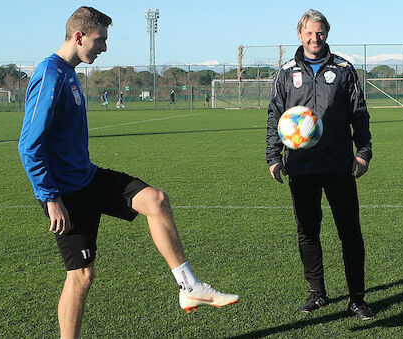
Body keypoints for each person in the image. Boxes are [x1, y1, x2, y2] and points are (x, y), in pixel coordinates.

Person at [18, 7, 239, 339]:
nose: (104, 47)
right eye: (100, 40)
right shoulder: (50, 74)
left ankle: (189, 286)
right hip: (66, 193)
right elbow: (28, 145)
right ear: (79, 37)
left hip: (88, 178)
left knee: (156, 201)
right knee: (81, 277)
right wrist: (51, 199)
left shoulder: (68, 73)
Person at [265, 9, 374, 320]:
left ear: (327, 33)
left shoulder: (343, 70)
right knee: (308, 231)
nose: (315, 38)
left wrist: (363, 150)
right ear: (300, 35)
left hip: (339, 163)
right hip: (300, 164)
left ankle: (356, 298)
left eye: (320, 32)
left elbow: (359, 113)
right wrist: (274, 156)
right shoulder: (286, 72)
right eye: (309, 33)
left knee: (350, 231)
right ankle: (317, 292)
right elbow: (275, 114)